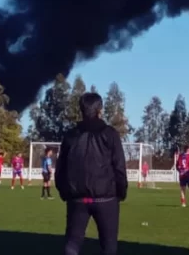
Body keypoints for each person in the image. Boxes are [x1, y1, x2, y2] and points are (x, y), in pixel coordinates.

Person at [56, 92, 127, 255]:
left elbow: (61, 168)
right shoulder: (110, 134)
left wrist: (65, 192)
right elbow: (119, 167)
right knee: (108, 246)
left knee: (73, 243)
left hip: (78, 198)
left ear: (81, 110)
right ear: (100, 110)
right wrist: (121, 192)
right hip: (106, 198)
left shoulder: (71, 135)